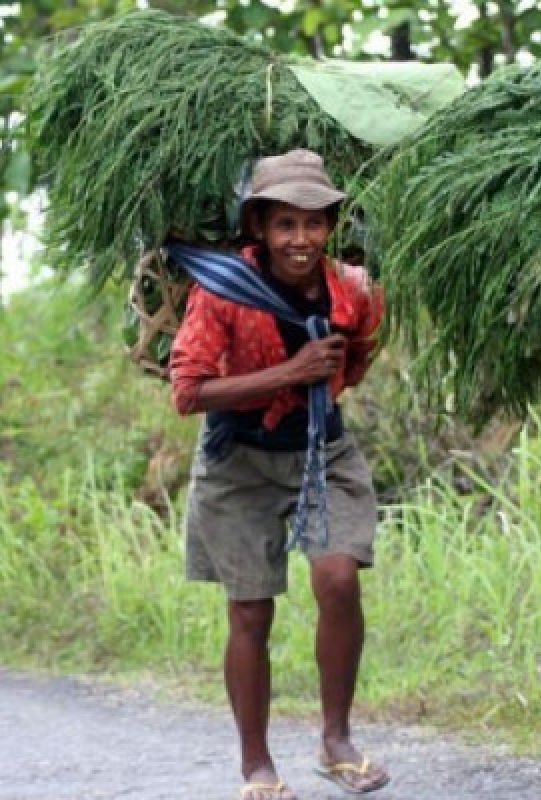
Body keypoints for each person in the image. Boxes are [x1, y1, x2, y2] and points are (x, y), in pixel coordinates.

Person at [170, 149, 388, 799]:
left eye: (314, 223)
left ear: (331, 228)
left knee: (339, 578)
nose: (301, 239)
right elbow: (189, 392)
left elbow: (359, 354)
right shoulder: (220, 291)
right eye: (285, 225)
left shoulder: (353, 287)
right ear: (259, 228)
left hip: (323, 452)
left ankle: (336, 740)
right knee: (250, 613)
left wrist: (319, 389)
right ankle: (256, 766)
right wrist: (291, 376)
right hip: (238, 461)